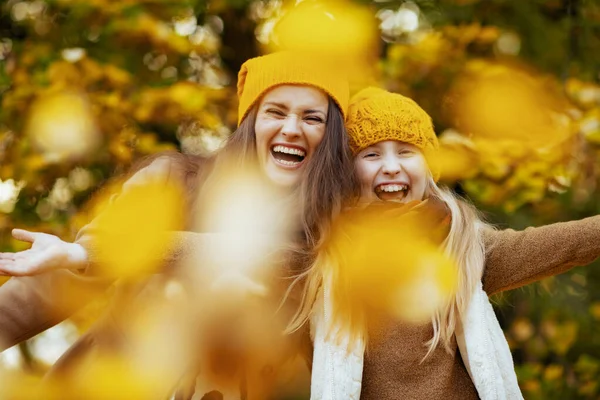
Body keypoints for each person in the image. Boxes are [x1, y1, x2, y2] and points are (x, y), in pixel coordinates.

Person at [0, 51, 357, 399]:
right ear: (250, 124)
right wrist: (77, 253)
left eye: (313, 118)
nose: (291, 129)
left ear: (330, 139)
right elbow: (66, 276)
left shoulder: (329, 236)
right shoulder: (174, 184)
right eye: (275, 112)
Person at [289, 87, 600, 400]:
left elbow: (562, 243)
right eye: (371, 155)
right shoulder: (322, 253)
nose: (392, 166)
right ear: (348, 174)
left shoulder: (462, 244)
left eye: (406, 151)